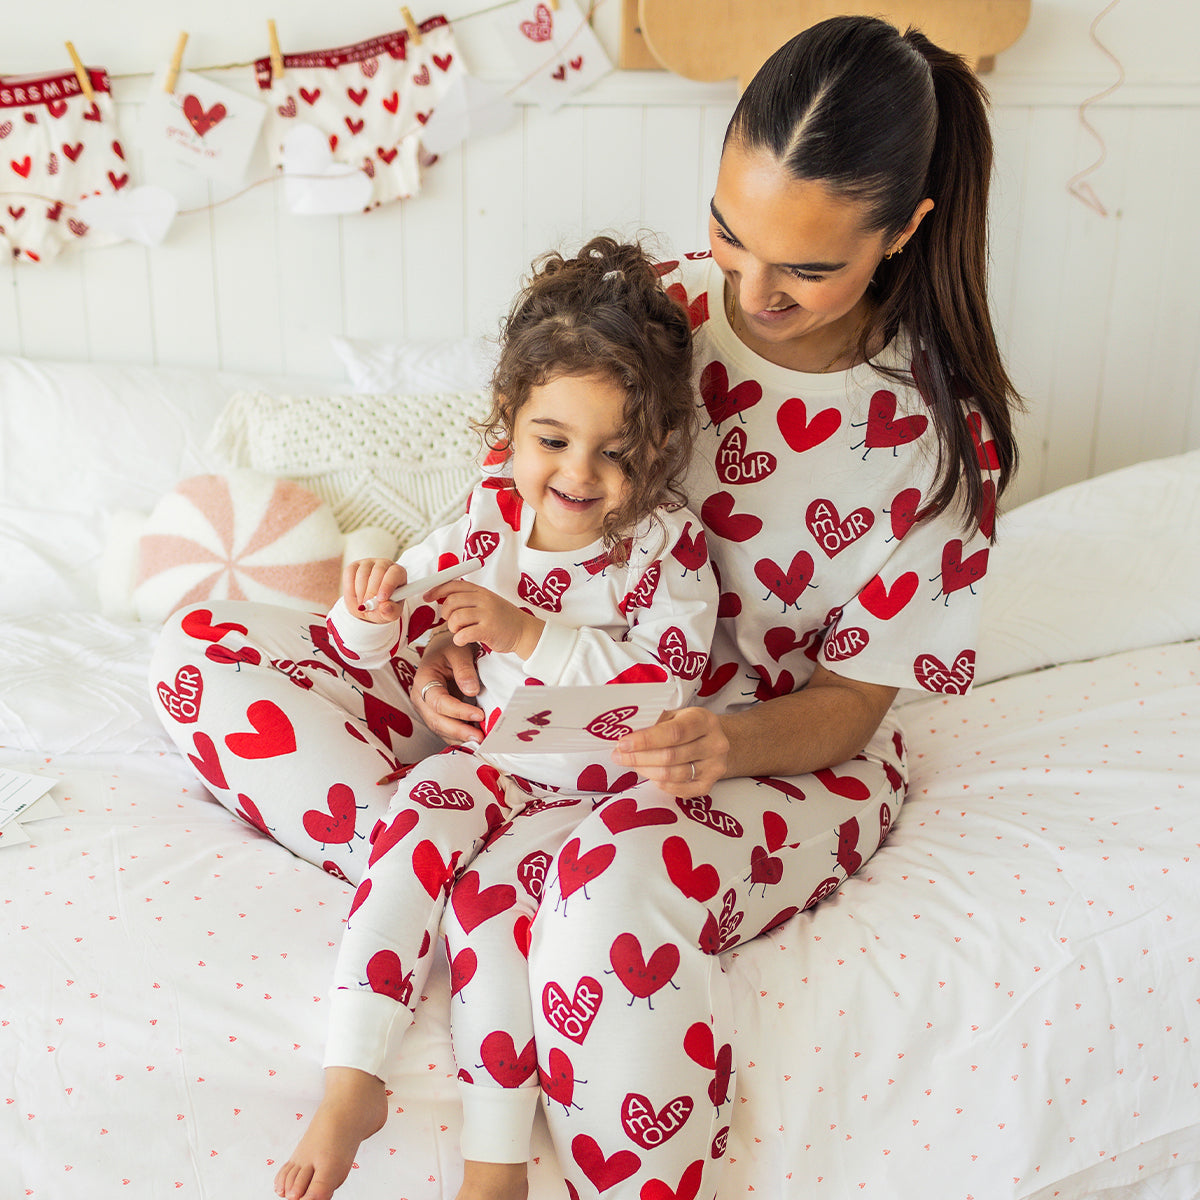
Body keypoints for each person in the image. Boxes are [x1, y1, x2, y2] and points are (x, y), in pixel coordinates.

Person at [405, 15, 1021, 1200]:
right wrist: (444, 639)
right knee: (214, 651)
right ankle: (461, 855)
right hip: (559, 705)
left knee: (606, 887)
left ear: (902, 232)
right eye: (730, 236)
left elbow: (853, 701)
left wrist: (721, 742)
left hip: (777, 754)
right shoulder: (658, 319)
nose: (750, 289)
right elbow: (522, 499)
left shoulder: (941, 444)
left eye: (804, 267)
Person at [150, 238, 716, 1200]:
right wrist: (368, 614)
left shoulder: (664, 551)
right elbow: (394, 633)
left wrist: (526, 631)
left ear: (657, 449)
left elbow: (663, 686)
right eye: (552, 440)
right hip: (488, 763)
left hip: (595, 799)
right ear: (508, 423)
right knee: (414, 822)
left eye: (615, 452)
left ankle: (495, 1167)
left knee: (495, 911)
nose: (580, 474)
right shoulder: (489, 512)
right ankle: (353, 1079)